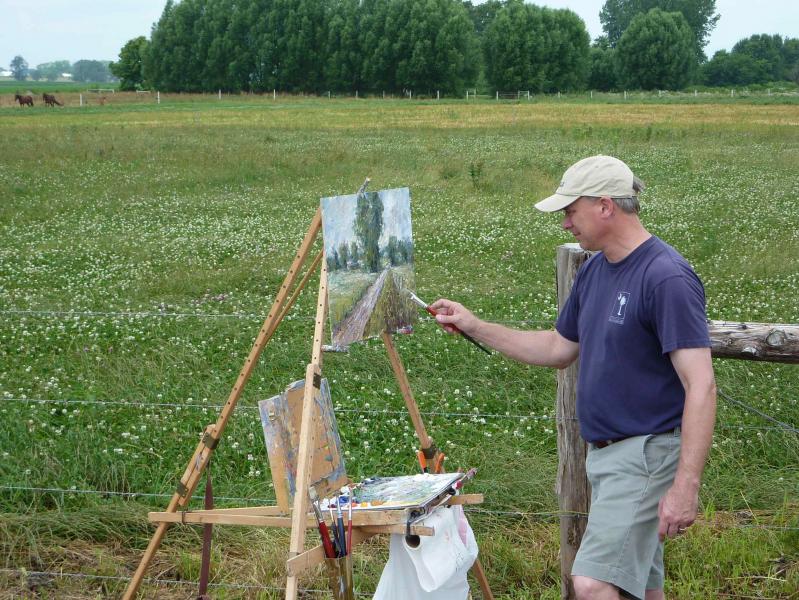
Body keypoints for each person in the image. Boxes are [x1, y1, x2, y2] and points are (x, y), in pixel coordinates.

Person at [430, 155, 716, 600]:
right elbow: (557, 349)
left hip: (644, 455)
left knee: (593, 584)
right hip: (607, 459)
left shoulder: (665, 277)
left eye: (570, 211)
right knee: (642, 587)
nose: (565, 224)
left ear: (605, 206)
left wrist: (685, 486)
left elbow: (702, 385)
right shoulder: (596, 270)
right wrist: (474, 324)